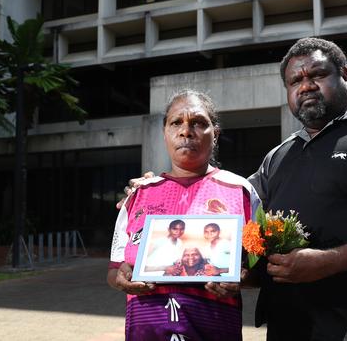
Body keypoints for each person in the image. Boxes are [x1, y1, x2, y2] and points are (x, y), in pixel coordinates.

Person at [119, 38, 347, 341]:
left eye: (317, 75)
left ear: (344, 75)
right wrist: (155, 191)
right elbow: (224, 209)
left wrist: (330, 261)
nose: (306, 86)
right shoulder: (279, 157)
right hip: (286, 328)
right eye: (295, 81)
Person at [107, 89, 261, 341]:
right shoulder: (139, 194)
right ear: (164, 133)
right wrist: (122, 279)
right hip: (147, 331)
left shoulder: (241, 192)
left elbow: (261, 270)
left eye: (198, 123)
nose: (186, 131)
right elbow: (113, 271)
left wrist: (241, 279)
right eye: (176, 122)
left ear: (216, 134)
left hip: (215, 330)